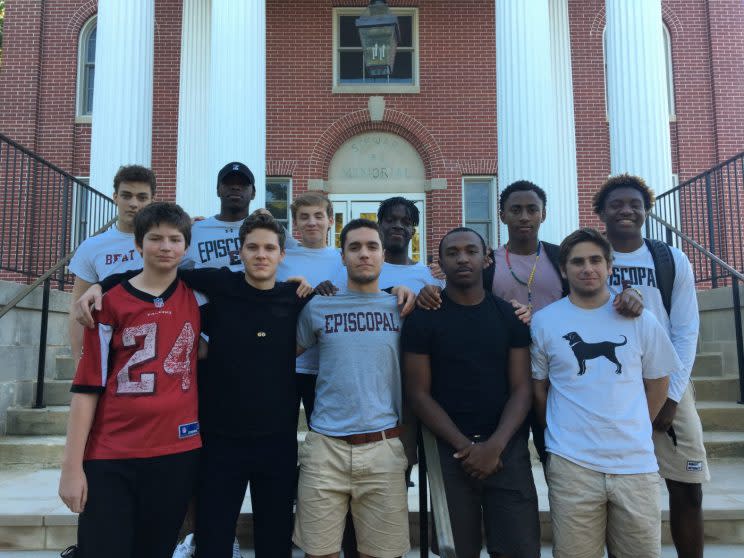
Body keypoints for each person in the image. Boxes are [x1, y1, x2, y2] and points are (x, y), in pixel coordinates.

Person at [59, 202, 202, 558]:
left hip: (176, 452)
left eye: (174, 239)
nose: (165, 246)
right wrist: (71, 468)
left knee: (155, 549)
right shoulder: (109, 303)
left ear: (186, 247)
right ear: (137, 245)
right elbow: (86, 388)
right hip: (112, 453)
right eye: (155, 238)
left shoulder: (198, 298)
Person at [531, 227, 680, 558]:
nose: (588, 268)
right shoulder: (545, 322)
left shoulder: (640, 319)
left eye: (596, 260)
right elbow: (539, 389)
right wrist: (559, 433)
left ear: (610, 267)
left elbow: (658, 380)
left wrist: (637, 425)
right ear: (563, 269)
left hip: (635, 465)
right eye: (578, 261)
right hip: (572, 465)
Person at [403, 227, 540, 558]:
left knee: (519, 549)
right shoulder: (423, 319)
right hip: (449, 452)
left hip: (506, 449)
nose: (462, 258)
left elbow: (522, 388)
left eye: (470, 251)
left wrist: (495, 446)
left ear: (486, 259)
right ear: (440, 263)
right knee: (457, 551)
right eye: (452, 253)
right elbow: (418, 393)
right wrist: (467, 447)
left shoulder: (509, 316)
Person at [594, 174, 709, 558]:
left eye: (634, 204)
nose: (626, 210)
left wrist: (673, 395)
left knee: (688, 489)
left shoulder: (670, 259)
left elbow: (686, 328)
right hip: (613, 388)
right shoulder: (591, 259)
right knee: (616, 491)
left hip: (668, 383)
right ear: (601, 213)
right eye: (616, 204)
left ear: (646, 211)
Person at [293, 219, 411, 558]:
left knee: (382, 553)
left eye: (372, 247)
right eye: (354, 247)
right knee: (320, 552)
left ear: (383, 256)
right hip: (325, 447)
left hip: (383, 445)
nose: (363, 254)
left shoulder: (401, 307)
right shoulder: (318, 307)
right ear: (342, 256)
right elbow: (276, 356)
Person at [67, 164, 156, 368]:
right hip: (109, 344)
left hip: (156, 341)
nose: (133, 203)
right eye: (126, 195)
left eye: (142, 197)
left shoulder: (165, 242)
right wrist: (79, 363)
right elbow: (78, 308)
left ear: (152, 200)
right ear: (115, 197)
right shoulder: (92, 246)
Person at [277, 192, 344, 423]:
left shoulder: (344, 258)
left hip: (327, 366)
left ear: (331, 220)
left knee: (324, 434)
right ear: (295, 223)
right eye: (304, 217)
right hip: (286, 363)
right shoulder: (281, 258)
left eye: (318, 215)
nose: (312, 222)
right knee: (282, 434)